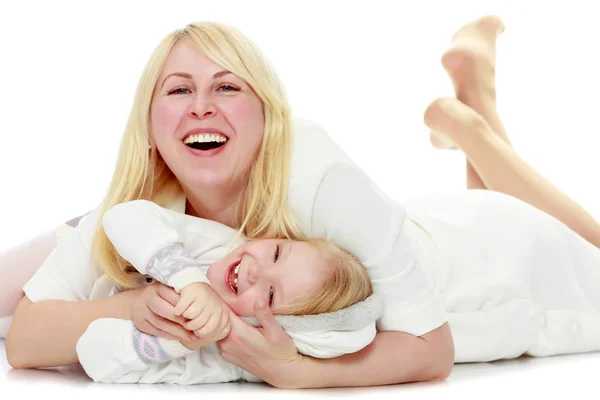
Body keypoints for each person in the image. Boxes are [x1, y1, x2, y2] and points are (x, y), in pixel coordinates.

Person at [4, 19, 454, 388]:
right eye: (179, 90)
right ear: (150, 123)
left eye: (227, 88)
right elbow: (23, 344)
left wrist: (297, 372)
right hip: (137, 219)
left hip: (446, 240)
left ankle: (475, 119)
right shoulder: (139, 201)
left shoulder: (321, 180)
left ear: (267, 112)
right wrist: (133, 305)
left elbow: (432, 349)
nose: (200, 107)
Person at [74, 199, 378, 384]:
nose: (256, 270)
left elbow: (90, 353)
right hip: (83, 246)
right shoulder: (224, 244)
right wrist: (189, 281)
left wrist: (182, 340)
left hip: (80, 308)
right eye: (275, 253)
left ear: (266, 327)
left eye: (271, 295)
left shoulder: (221, 360)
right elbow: (122, 216)